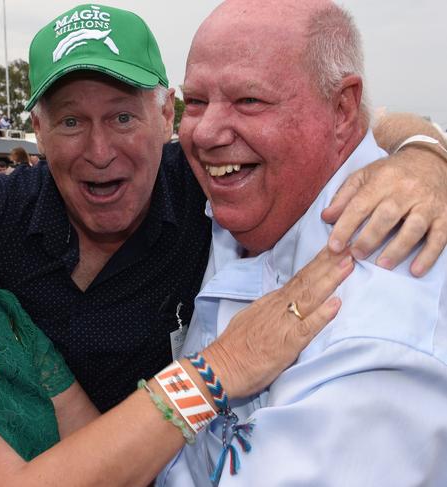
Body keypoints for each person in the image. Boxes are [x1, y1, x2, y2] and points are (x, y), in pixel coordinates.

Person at [0, 2, 446, 480]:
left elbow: (332, 123)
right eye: (73, 120)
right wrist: (222, 366)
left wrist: (422, 154)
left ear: (167, 116)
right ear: (38, 130)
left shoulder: (210, 187)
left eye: (123, 115)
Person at [157, 1, 447, 485]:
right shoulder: (253, 194)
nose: (204, 132)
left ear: (342, 108)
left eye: (249, 101)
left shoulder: (376, 334)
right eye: (198, 101)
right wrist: (426, 147)